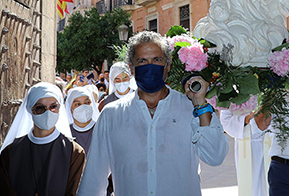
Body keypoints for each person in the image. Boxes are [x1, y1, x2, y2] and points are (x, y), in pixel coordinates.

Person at [77, 31, 228, 195]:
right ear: (132, 69)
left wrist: (200, 104)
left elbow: (215, 156)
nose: (150, 66)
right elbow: (94, 178)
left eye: (157, 60)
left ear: (167, 66)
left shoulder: (190, 108)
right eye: (142, 61)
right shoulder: (111, 115)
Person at [0, 82, 86, 196]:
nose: (48, 112)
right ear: (30, 110)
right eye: (40, 108)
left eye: (53, 106)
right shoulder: (10, 152)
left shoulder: (74, 152)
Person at [220, 107, 269, 196]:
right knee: (251, 186)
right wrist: (246, 119)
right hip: (248, 145)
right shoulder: (233, 94)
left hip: (273, 143)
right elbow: (225, 121)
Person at [65, 86, 99, 155]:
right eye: (77, 104)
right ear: (71, 110)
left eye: (87, 102)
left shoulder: (101, 130)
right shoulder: (66, 134)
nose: (83, 107)